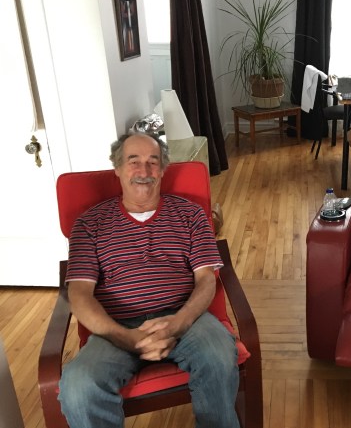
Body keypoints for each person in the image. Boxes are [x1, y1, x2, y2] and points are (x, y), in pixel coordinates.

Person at [58, 132, 240, 428]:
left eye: (153, 162)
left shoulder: (191, 215)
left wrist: (178, 323)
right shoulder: (89, 225)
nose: (144, 171)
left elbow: (206, 279)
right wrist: (124, 336)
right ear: (117, 168)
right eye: (133, 161)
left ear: (163, 169)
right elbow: (79, 294)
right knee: (78, 386)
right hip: (116, 326)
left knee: (218, 356)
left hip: (185, 318)